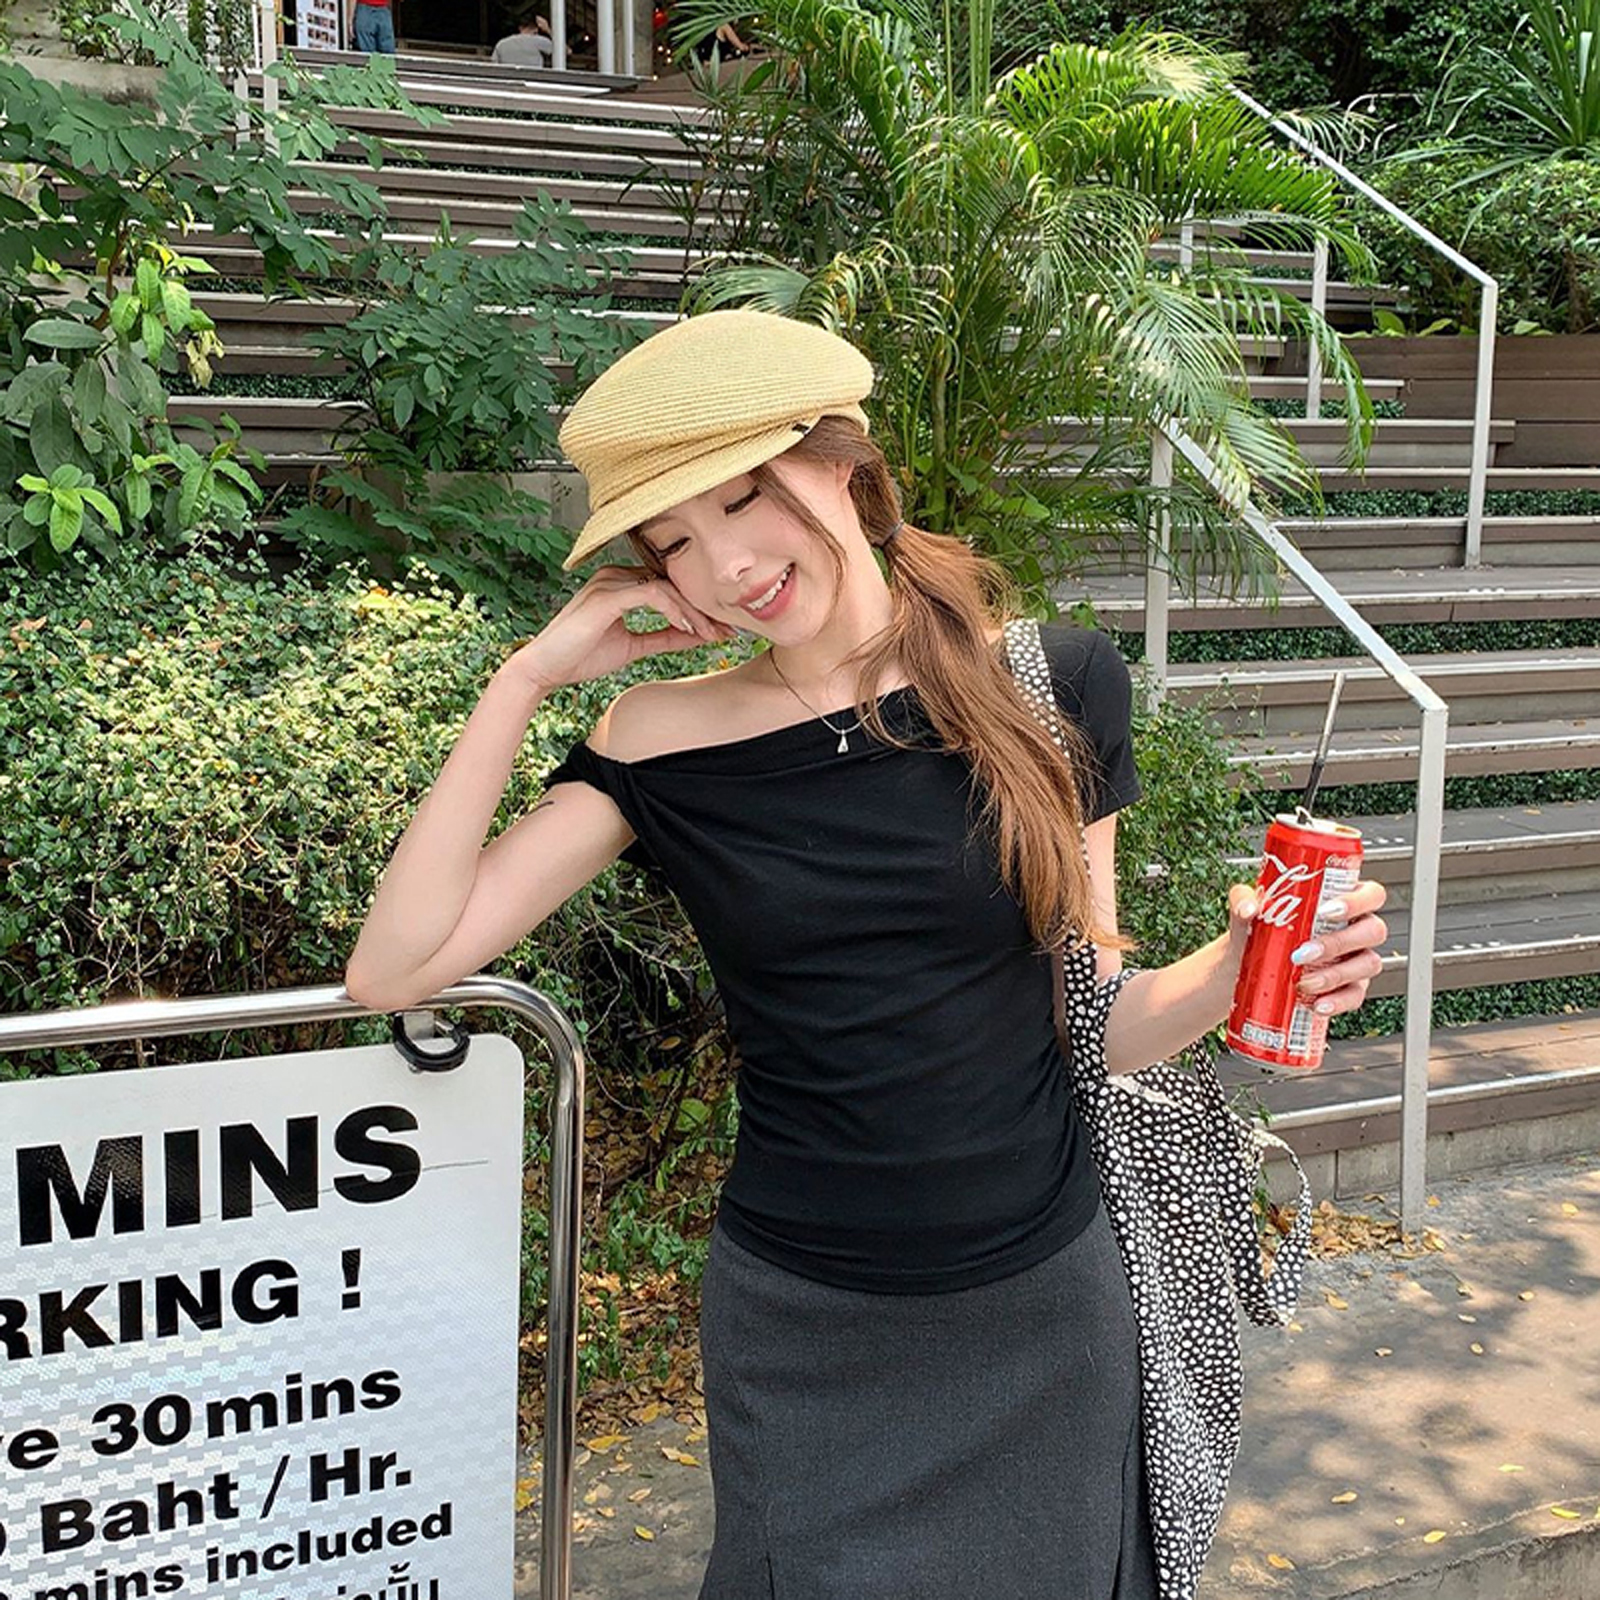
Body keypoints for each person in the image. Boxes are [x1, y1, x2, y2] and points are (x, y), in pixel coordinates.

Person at [344, 309, 1389, 1597]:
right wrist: (522, 684)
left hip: (1042, 1304)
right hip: (806, 1321)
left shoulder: (1048, 685)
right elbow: (396, 969)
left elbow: (1094, 1020)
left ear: (844, 464)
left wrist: (1236, 970)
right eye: (676, 541)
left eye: (744, 500)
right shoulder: (657, 741)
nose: (728, 565)